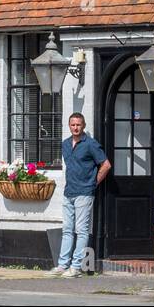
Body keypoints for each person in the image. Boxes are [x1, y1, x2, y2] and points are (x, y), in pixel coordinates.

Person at [51, 113, 111, 277]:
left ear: (83, 126)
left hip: (84, 193)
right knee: (67, 230)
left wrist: (93, 183)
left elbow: (106, 165)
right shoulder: (64, 144)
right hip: (68, 192)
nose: (75, 127)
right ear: (69, 126)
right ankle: (62, 265)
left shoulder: (91, 144)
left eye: (78, 125)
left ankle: (76, 267)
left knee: (82, 230)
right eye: (73, 125)